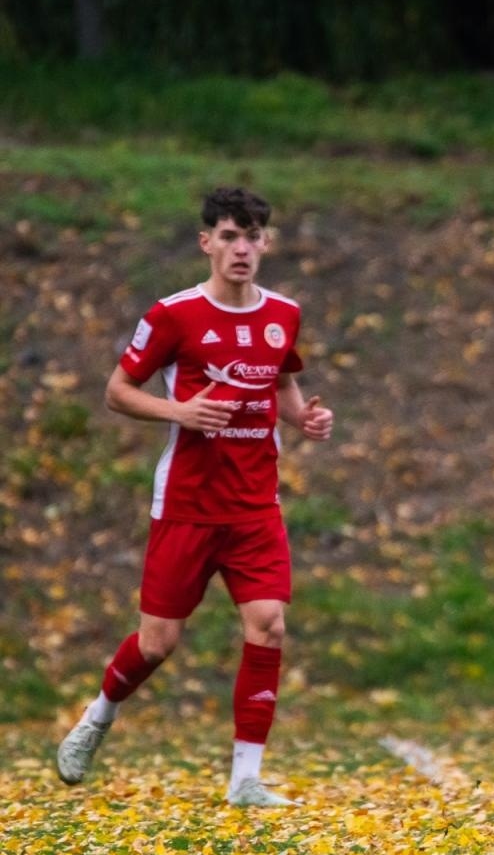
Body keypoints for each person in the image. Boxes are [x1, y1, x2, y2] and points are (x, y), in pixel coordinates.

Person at [55, 187, 334, 807]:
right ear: (206, 242)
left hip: (256, 505)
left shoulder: (283, 313)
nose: (242, 248)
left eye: (253, 236)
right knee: (159, 643)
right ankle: (98, 715)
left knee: (269, 627)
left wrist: (303, 420)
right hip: (185, 504)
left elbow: (283, 380)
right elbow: (116, 391)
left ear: (266, 244)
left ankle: (246, 780)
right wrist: (180, 410)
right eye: (230, 236)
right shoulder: (173, 315)